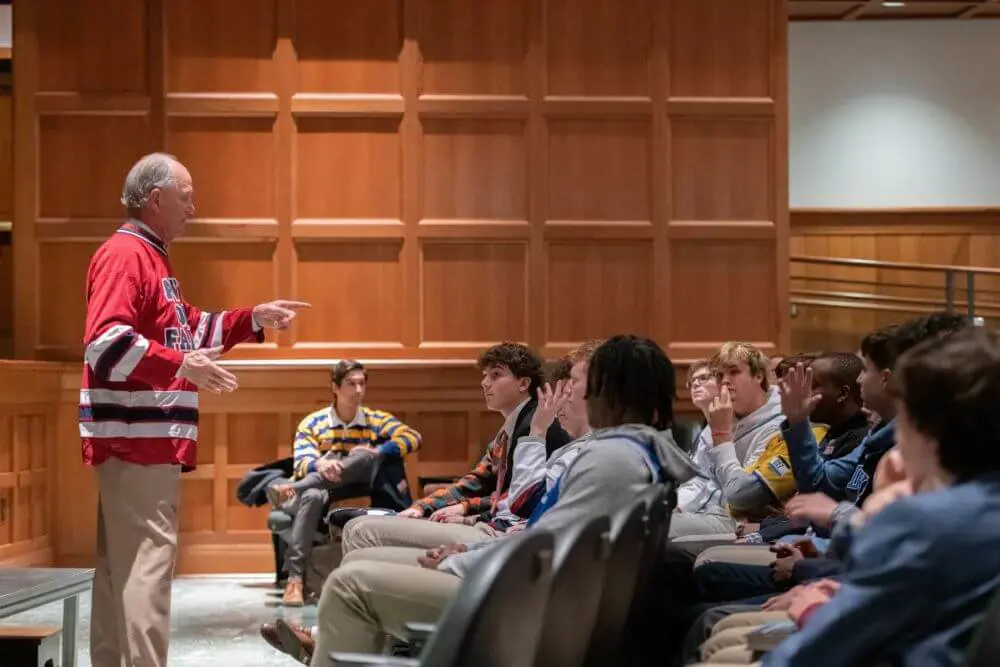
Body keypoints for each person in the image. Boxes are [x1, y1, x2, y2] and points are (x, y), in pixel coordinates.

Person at [307, 335, 699, 661]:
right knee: (360, 563)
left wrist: (460, 560)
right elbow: (546, 537)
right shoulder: (634, 452)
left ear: (607, 389)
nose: (565, 390)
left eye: (576, 381)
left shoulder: (611, 460)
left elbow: (544, 550)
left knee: (351, 584)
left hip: (527, 606)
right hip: (536, 591)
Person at [81, 152, 309, 667]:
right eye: (187, 197)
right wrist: (182, 366)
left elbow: (189, 332)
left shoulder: (150, 256)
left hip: (140, 444)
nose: (195, 208)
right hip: (140, 444)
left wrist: (253, 318)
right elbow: (105, 343)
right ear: (157, 199)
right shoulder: (127, 256)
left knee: (121, 571)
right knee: (147, 571)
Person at [758, 326, 1000, 666]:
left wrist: (813, 604)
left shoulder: (924, 519)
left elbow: (813, 654)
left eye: (904, 417)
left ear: (926, 429)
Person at [338, 342, 571, 553]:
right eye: (484, 375)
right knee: (361, 526)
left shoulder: (536, 426)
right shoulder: (512, 427)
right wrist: (421, 508)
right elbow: (476, 480)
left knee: (361, 530)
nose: (484, 382)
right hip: (491, 525)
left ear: (523, 383)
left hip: (502, 534)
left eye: (496, 375)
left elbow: (520, 501)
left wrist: (465, 511)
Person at [270, 359, 423, 606]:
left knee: (363, 455)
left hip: (358, 486)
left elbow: (413, 437)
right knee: (312, 495)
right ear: (335, 387)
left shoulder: (375, 419)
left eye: (362, 383)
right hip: (321, 488)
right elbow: (301, 463)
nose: (358, 390)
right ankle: (295, 580)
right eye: (351, 384)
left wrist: (380, 451)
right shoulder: (314, 423)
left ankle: (291, 490)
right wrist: (320, 465)